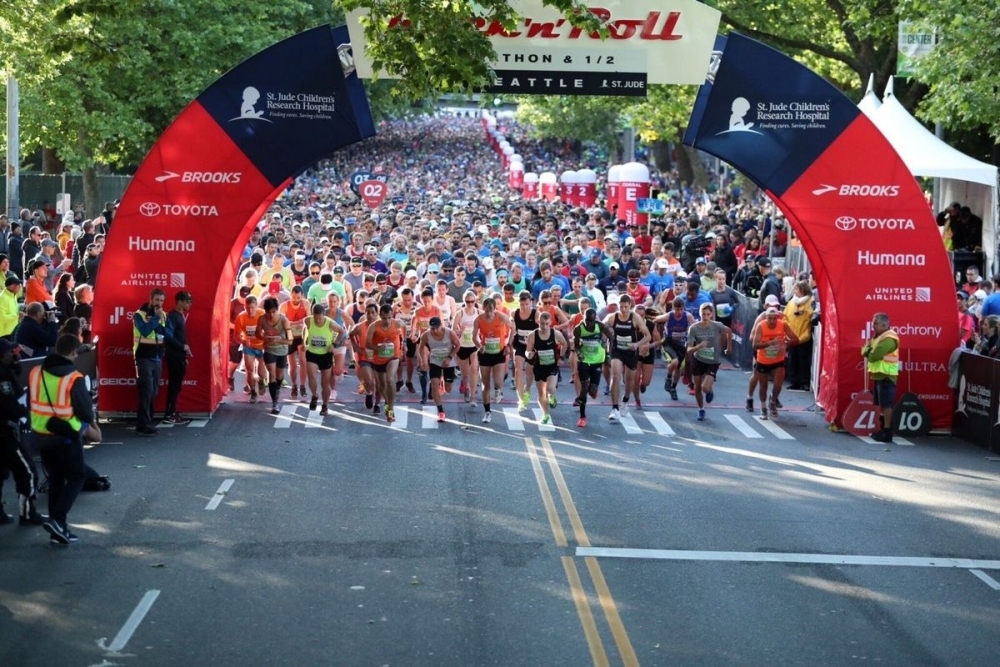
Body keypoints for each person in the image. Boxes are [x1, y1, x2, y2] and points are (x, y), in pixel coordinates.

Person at [29, 333, 101, 545]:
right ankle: (57, 520)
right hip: (67, 436)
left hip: (42, 435)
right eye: (77, 353)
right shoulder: (74, 378)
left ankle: (57, 532)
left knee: (56, 481)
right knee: (77, 477)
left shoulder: (36, 372)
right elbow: (87, 413)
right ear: (72, 352)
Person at [0, 339, 47, 527]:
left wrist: (15, 365)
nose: (15, 353)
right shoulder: (2, 376)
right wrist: (23, 414)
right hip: (4, 432)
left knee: (1, 472)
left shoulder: (6, 370)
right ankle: (27, 514)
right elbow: (8, 402)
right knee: (27, 472)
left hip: (5, 430)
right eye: (11, 351)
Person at [603, 293, 651, 421]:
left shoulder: (635, 318)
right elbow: (601, 327)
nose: (623, 310)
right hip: (617, 350)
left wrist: (637, 344)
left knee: (629, 380)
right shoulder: (612, 317)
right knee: (616, 376)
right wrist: (607, 332)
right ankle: (614, 408)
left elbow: (648, 336)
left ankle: (625, 401)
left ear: (630, 305)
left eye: (626, 307)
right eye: (621, 307)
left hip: (631, 352)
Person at [471, 296, 514, 423]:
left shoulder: (500, 317)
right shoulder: (478, 320)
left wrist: (509, 345)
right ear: (483, 309)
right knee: (485, 385)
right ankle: (487, 412)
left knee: (497, 382)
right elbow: (474, 337)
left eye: (491, 310)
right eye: (487, 310)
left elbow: (513, 328)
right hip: (485, 353)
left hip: (499, 353)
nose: (489, 313)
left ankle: (499, 390)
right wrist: (479, 346)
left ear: (495, 309)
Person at [687, 302, 733, 421]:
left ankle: (709, 390)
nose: (705, 317)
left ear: (711, 315)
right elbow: (689, 350)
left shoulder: (717, 326)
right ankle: (701, 409)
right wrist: (699, 346)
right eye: (703, 314)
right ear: (700, 314)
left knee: (705, 388)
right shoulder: (694, 328)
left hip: (713, 360)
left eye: (708, 314)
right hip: (699, 359)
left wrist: (729, 347)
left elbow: (728, 331)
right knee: (697, 387)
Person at [752, 307, 799, 420]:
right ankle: (763, 408)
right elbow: (754, 345)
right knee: (763, 386)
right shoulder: (761, 326)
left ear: (777, 318)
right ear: (766, 317)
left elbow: (796, 340)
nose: (772, 321)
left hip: (778, 360)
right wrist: (770, 343)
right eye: (769, 318)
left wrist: (786, 343)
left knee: (778, 385)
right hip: (763, 360)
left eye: (774, 318)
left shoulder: (783, 325)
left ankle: (772, 402)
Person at [133, 288, 168, 435]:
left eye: (161, 300)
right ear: (151, 299)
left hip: (157, 357)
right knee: (146, 391)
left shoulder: (163, 315)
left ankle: (149, 421)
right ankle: (143, 425)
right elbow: (145, 331)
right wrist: (155, 318)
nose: (159, 303)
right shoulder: (139, 314)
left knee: (153, 391)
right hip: (143, 356)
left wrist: (159, 319)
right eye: (156, 300)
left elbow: (165, 333)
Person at [861, 312, 900, 442]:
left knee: (887, 405)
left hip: (887, 375)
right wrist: (868, 350)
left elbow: (873, 355)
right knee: (882, 405)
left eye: (875, 323)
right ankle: (883, 428)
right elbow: (864, 349)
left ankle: (887, 431)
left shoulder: (889, 338)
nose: (873, 326)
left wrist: (868, 350)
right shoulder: (878, 336)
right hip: (879, 375)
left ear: (884, 324)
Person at [524, 311, 568, 425]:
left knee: (550, 388)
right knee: (541, 393)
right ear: (538, 321)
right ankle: (545, 414)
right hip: (539, 366)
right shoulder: (532, 335)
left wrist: (561, 357)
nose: (544, 326)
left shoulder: (556, 334)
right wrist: (529, 354)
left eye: (546, 324)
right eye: (542, 323)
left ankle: (552, 395)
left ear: (550, 323)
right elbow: (528, 350)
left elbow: (565, 343)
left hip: (552, 366)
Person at [572, 308, 613, 428]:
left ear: (594, 319)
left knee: (591, 391)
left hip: (597, 359)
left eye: (591, 321)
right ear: (583, 318)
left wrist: (608, 354)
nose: (588, 323)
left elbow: (611, 338)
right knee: (583, 387)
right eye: (586, 320)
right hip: (584, 360)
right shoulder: (578, 329)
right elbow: (575, 346)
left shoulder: (600, 326)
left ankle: (592, 390)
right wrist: (578, 352)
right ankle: (582, 417)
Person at [366, 303, 405, 423]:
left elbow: (404, 328)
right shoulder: (373, 326)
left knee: (389, 379)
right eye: (384, 318)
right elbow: (367, 344)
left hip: (393, 356)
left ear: (392, 315)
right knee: (381, 386)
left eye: (389, 317)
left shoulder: (397, 323)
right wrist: (378, 348)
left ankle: (391, 409)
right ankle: (387, 403)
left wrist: (404, 343)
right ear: (380, 316)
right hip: (379, 358)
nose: (387, 321)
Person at [418, 316, 460, 422]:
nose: (435, 330)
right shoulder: (426, 335)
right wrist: (424, 361)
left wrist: (449, 357)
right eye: (432, 328)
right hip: (435, 361)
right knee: (433, 385)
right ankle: (440, 411)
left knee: (448, 389)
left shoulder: (449, 333)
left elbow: (458, 345)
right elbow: (421, 348)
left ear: (441, 325)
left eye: (437, 327)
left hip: (448, 362)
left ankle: (443, 381)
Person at [305, 302, 345, 416]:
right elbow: (305, 329)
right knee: (311, 377)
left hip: (325, 354)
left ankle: (325, 405)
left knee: (325, 382)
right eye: (316, 318)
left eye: (320, 318)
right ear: (313, 315)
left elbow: (342, 331)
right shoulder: (308, 321)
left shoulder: (329, 323)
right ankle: (314, 395)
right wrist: (305, 341)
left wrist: (334, 344)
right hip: (312, 353)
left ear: (324, 315)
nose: (318, 321)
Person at [257, 296, 294, 414]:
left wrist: (278, 340)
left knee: (279, 375)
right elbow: (258, 334)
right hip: (269, 350)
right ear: (265, 311)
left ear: (277, 310)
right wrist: (264, 338)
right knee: (272, 374)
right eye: (269, 312)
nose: (271, 315)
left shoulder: (284, 320)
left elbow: (290, 340)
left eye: (274, 312)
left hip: (282, 351)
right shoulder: (262, 319)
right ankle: (274, 402)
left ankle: (277, 389)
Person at [162, 291, 194, 424]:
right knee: (174, 385)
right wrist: (182, 347)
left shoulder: (179, 316)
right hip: (173, 355)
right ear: (179, 301)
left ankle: (172, 412)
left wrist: (184, 350)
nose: (189, 304)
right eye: (187, 301)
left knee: (177, 385)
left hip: (178, 355)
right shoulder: (173, 316)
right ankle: (169, 414)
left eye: (190, 301)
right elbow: (167, 336)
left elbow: (179, 337)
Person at [783, 280, 815, 391]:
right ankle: (794, 382)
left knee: (803, 362)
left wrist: (800, 338)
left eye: (797, 289)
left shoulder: (810, 302)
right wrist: (788, 334)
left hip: (804, 338)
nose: (795, 291)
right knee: (793, 361)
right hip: (792, 338)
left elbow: (812, 320)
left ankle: (804, 382)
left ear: (803, 290)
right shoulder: (791, 303)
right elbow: (785, 317)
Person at [234, 295, 266, 404]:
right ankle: (253, 392)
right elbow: (236, 335)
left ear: (256, 306)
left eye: (252, 307)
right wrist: (242, 341)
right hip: (249, 347)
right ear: (244, 307)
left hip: (262, 346)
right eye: (247, 308)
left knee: (262, 371)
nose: (250, 310)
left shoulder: (262, 314)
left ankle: (261, 380)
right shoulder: (241, 317)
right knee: (249, 370)